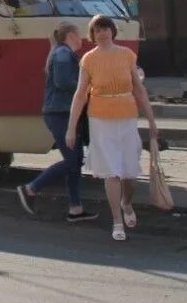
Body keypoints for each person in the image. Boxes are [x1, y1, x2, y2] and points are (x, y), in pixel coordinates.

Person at [66, 15, 159, 241]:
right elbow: (80, 95)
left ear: (112, 31)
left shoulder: (127, 55)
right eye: (97, 30)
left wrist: (151, 120)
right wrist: (71, 127)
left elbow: (139, 90)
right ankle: (117, 220)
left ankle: (127, 203)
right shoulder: (88, 60)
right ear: (93, 35)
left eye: (106, 28)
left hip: (126, 116)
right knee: (111, 171)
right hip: (100, 118)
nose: (103, 33)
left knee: (130, 173)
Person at [17, 22, 98, 222]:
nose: (82, 39)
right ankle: (30, 189)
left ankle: (76, 209)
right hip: (60, 113)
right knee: (72, 160)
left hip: (65, 113)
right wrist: (89, 89)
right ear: (71, 35)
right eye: (79, 35)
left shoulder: (63, 53)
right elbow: (64, 83)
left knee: (75, 162)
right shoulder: (63, 54)